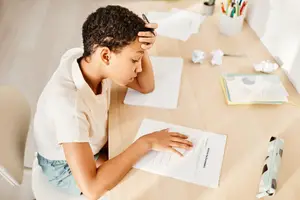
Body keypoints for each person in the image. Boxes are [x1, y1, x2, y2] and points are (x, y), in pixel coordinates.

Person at [33, 5, 193, 200]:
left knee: (139, 158)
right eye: (134, 60)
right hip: (63, 167)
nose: (139, 67)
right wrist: (146, 142)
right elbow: (92, 189)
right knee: (139, 178)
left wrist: (141, 49)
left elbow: (145, 86)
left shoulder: (89, 60)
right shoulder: (69, 106)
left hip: (91, 142)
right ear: (106, 56)